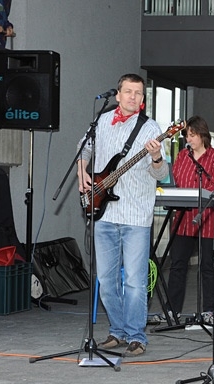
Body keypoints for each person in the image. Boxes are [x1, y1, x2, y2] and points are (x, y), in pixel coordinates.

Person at [77, 73, 169, 357]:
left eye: (138, 93)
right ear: (117, 95)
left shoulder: (150, 128)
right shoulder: (102, 121)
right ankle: (117, 331)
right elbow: (83, 149)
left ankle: (136, 335)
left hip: (135, 215)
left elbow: (161, 173)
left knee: (134, 281)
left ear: (143, 99)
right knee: (106, 280)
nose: (133, 96)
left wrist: (156, 157)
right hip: (104, 212)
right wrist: (82, 171)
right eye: (128, 91)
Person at [166, 116, 214, 324]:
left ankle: (208, 311)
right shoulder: (182, 156)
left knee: (207, 266)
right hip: (183, 220)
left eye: (192, 135)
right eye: (187, 135)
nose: (189, 139)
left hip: (207, 220)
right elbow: (175, 182)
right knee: (177, 265)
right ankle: (172, 310)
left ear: (203, 135)